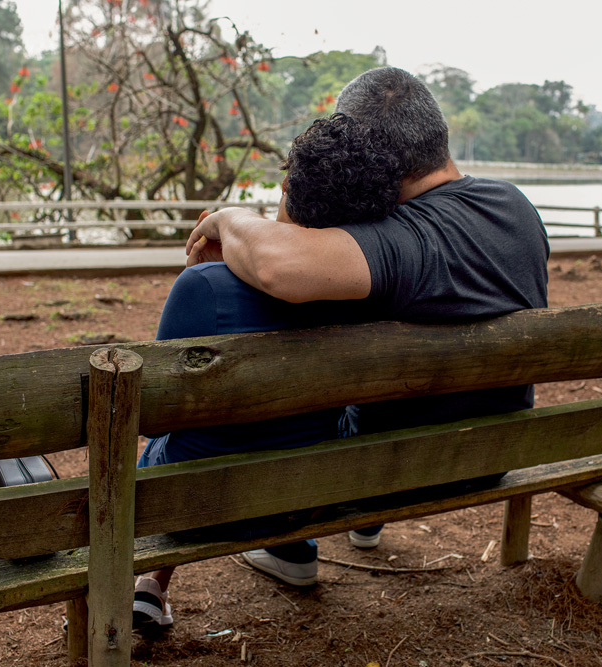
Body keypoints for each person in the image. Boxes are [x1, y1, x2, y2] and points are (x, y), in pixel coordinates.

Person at [186, 67, 550, 549]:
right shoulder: (513, 204)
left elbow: (279, 267)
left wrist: (229, 219)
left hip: (394, 470)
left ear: (368, 158)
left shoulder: (405, 238)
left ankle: (292, 549)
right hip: (492, 453)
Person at [131, 112, 404, 630]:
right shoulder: (378, 289)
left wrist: (205, 272)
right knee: (308, 430)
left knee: (164, 445)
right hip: (312, 496)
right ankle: (294, 551)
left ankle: (148, 584)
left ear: (286, 190)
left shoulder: (207, 286)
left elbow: (154, 417)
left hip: (199, 498)